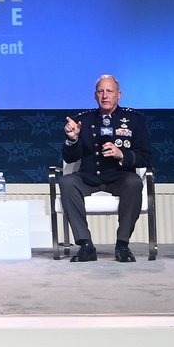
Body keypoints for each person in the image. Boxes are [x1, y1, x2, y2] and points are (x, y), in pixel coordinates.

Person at [58, 74, 152, 263]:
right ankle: (85, 245)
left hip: (119, 177)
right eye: (101, 91)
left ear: (119, 95)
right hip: (89, 177)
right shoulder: (82, 120)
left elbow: (146, 156)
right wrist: (72, 138)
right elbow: (70, 157)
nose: (105, 96)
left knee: (134, 182)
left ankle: (122, 245)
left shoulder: (134, 120)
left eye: (110, 91)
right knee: (67, 182)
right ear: (95, 96)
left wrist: (122, 155)